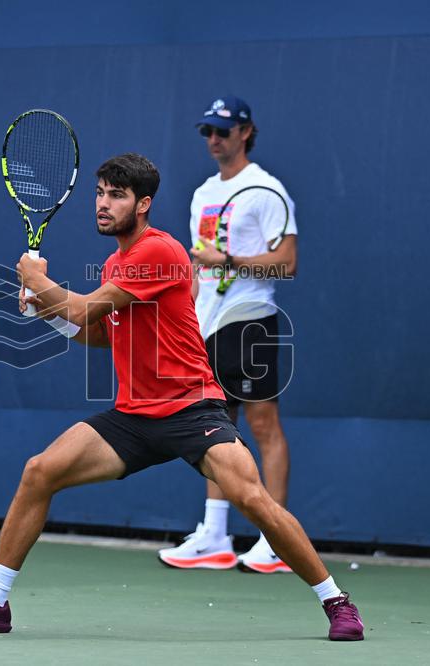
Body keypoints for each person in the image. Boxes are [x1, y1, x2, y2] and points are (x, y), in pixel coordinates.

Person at [0, 153, 363, 641]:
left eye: (116, 195)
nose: (103, 203)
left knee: (251, 497)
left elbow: (85, 306)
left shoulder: (158, 252)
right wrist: (46, 313)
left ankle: (337, 602)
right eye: (99, 193)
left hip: (191, 409)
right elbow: (97, 331)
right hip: (133, 417)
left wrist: (39, 281)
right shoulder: (115, 262)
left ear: (143, 204)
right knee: (39, 471)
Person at [158, 95, 299, 575]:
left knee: (263, 428)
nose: (213, 139)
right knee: (214, 432)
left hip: (251, 319)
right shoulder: (202, 193)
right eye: (207, 132)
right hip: (207, 324)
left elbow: (288, 261)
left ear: (246, 133)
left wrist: (231, 262)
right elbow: (198, 262)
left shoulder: (267, 191)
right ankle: (215, 536)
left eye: (222, 131)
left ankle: (275, 540)